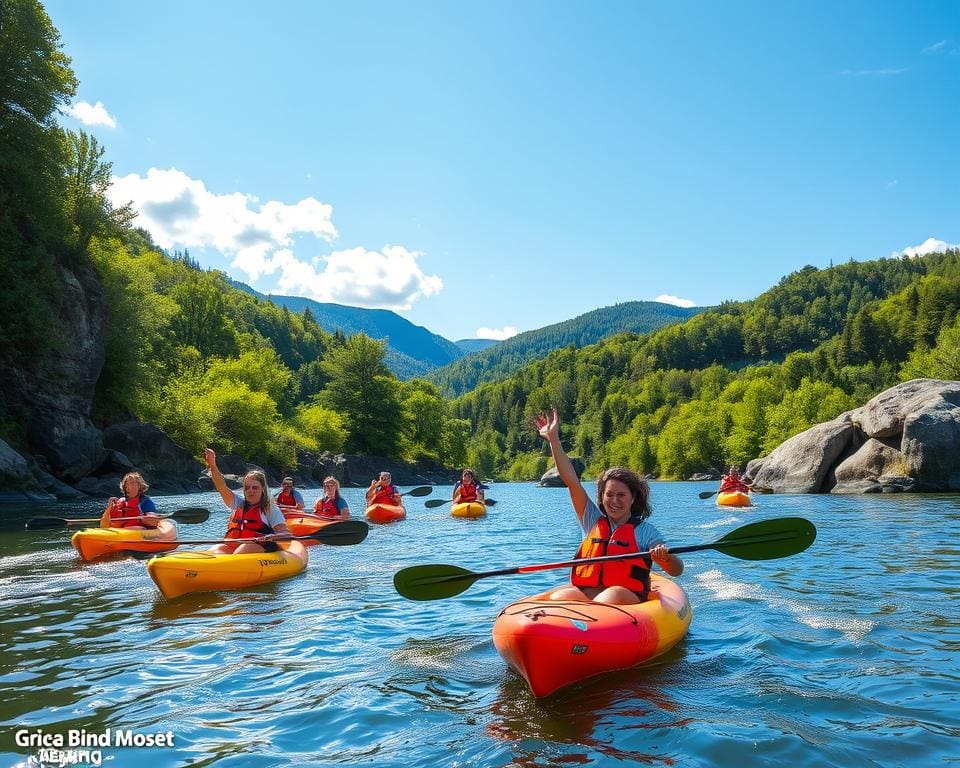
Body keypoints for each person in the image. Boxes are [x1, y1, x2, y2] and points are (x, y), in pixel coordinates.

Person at [535, 408, 683, 605]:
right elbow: (571, 481)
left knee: (611, 595)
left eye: (621, 495)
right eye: (609, 495)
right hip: (588, 593)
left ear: (633, 498)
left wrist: (664, 557)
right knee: (558, 598)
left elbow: (677, 569)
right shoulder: (591, 519)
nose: (614, 501)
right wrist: (554, 440)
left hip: (625, 596)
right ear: (602, 497)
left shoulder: (645, 532)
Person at [204, 448, 300, 555]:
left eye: (255, 487)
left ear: (262, 489)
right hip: (236, 545)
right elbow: (221, 486)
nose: (250, 490)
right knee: (217, 549)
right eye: (247, 487)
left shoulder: (269, 508)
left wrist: (273, 536)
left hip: (261, 547)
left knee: (243, 549)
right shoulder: (237, 504)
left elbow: (286, 534)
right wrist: (212, 465)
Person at [99, 472, 163, 530]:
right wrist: (109, 508)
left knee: (140, 528)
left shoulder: (145, 502)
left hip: (135, 533)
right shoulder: (118, 502)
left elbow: (153, 521)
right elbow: (103, 525)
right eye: (126, 485)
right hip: (114, 534)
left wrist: (147, 518)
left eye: (132, 484)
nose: (128, 487)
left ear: (140, 487)